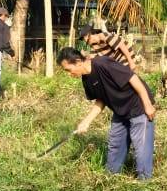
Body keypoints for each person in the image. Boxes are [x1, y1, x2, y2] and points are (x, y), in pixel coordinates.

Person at [57, 47, 156, 180]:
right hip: (120, 111)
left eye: (68, 70)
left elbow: (133, 78)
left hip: (138, 106)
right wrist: (86, 121)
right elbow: (101, 100)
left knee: (142, 147)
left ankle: (144, 182)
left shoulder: (103, 63)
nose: (69, 74)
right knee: (115, 144)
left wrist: (148, 104)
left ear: (78, 62)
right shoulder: (86, 79)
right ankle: (111, 179)